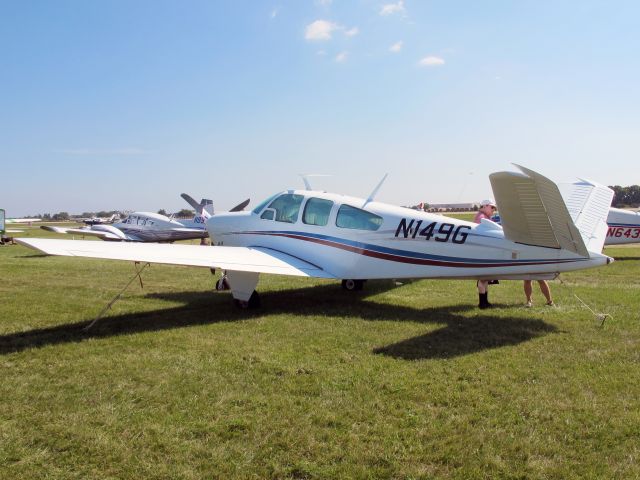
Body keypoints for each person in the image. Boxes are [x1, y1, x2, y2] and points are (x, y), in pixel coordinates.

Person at [474, 199, 497, 309]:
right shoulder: (481, 218)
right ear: (485, 206)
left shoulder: (485, 217)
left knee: (486, 278)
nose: (493, 210)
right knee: (482, 278)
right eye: (492, 207)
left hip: (485, 252)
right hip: (481, 252)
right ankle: (482, 303)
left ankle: (485, 302)